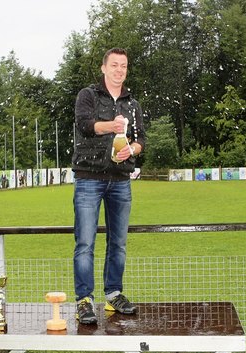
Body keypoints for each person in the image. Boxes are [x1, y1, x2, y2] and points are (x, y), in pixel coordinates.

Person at [72, 47, 145, 324]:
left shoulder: (132, 104)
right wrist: (111, 126)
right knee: (85, 243)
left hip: (120, 181)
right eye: (114, 65)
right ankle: (84, 300)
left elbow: (141, 139)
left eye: (123, 66)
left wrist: (133, 150)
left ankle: (114, 294)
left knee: (119, 243)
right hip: (88, 178)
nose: (119, 70)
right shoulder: (88, 95)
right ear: (104, 68)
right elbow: (85, 125)